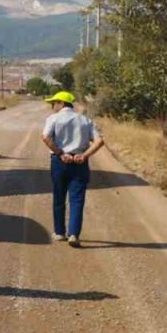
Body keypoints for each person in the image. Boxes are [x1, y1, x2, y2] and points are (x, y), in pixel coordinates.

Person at [41, 91, 104, 247]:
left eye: (53, 103)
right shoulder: (85, 120)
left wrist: (60, 153)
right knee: (77, 199)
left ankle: (59, 232)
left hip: (60, 162)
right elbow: (99, 141)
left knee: (59, 197)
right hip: (79, 162)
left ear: (62, 103)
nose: (52, 106)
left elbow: (45, 137)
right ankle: (74, 234)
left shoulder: (53, 119)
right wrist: (85, 155)